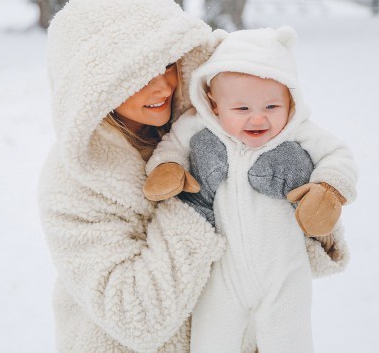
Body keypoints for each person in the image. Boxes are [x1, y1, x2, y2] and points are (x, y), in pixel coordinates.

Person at [143, 26, 358, 352]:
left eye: (272, 107)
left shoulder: (298, 131)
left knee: (290, 339)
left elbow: (338, 154)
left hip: (284, 269)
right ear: (214, 106)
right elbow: (172, 144)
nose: (257, 119)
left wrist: (328, 187)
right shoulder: (199, 127)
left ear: (291, 100)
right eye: (241, 109)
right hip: (223, 273)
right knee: (212, 340)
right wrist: (167, 168)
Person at [38, 0, 227, 352]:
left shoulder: (198, 134)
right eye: (139, 75)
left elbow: (271, 250)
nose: (163, 86)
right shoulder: (74, 181)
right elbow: (136, 317)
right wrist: (197, 199)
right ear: (97, 85)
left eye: (169, 64)